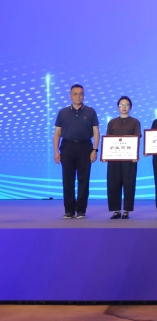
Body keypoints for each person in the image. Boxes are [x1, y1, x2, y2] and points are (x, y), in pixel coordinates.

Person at [53, 84, 100, 219]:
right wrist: (56, 152)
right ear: (70, 95)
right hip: (67, 147)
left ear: (83, 96)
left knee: (83, 180)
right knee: (68, 180)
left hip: (85, 147)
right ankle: (69, 210)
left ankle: (81, 210)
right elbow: (57, 133)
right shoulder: (63, 112)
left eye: (80, 94)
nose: (78, 96)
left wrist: (94, 150)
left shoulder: (90, 111)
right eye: (75, 93)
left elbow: (96, 132)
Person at [103, 96, 141, 219]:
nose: (124, 107)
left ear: (130, 107)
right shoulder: (112, 122)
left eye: (126, 105)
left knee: (129, 184)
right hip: (114, 159)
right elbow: (108, 140)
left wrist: (135, 154)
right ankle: (116, 210)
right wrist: (105, 155)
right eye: (121, 105)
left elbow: (136, 139)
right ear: (118, 107)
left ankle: (126, 210)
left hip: (129, 159)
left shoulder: (135, 122)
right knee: (113, 183)